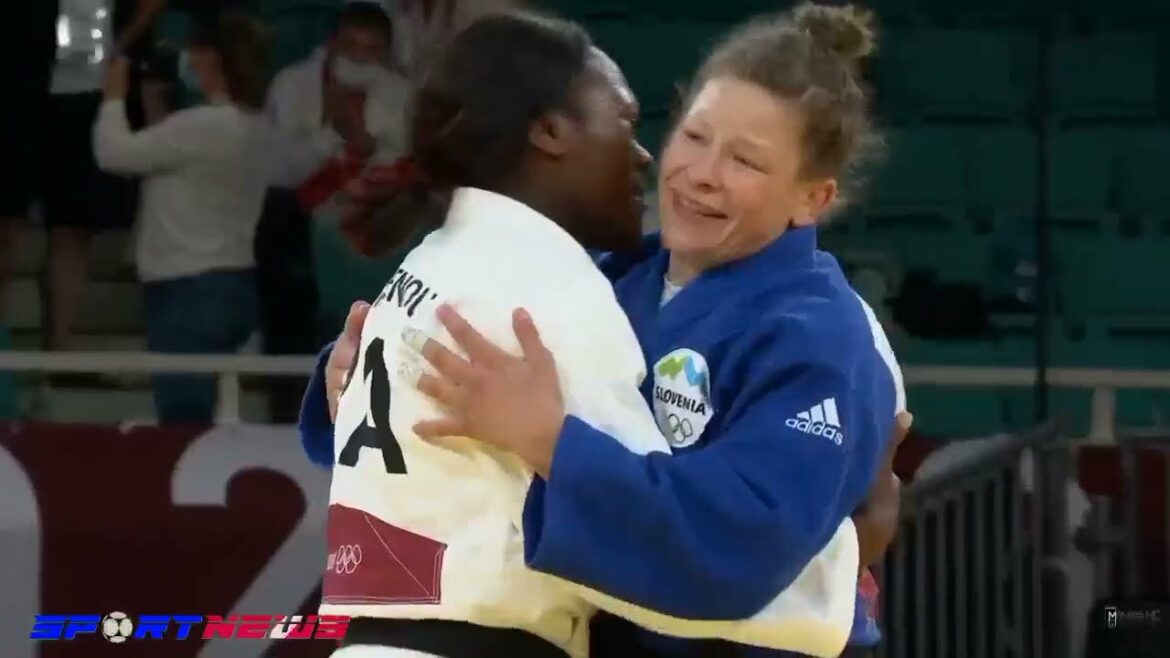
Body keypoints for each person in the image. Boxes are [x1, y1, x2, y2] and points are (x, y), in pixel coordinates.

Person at [310, 4, 909, 658]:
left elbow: (744, 544)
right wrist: (363, 373)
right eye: (695, 136)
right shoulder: (598, 280)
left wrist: (552, 444)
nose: (701, 173)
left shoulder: (828, 336)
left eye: (746, 161)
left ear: (812, 199)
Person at [93, 11, 273, 423]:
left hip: (188, 290)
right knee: (214, 415)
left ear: (212, 60)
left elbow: (112, 152)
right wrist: (156, 106)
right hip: (232, 280)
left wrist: (114, 94)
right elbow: (172, 157)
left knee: (184, 420)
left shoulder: (203, 125)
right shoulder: (256, 125)